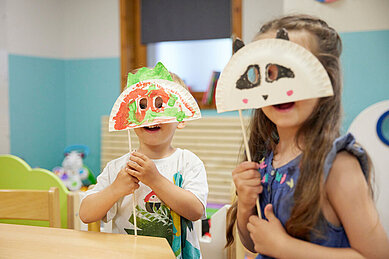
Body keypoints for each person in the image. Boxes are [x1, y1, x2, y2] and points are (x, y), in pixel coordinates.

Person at [226, 14, 389, 258]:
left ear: (326, 78)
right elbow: (253, 244)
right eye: (266, 75)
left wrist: (285, 248)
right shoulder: (265, 158)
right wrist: (246, 206)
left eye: (288, 71)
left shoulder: (338, 166)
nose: (277, 89)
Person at [79, 71, 208, 259]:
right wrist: (115, 189)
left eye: (160, 105)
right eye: (141, 105)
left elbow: (195, 211)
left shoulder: (188, 162)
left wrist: (155, 180)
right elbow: (86, 214)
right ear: (129, 117)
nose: (150, 114)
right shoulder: (118, 168)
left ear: (181, 118)